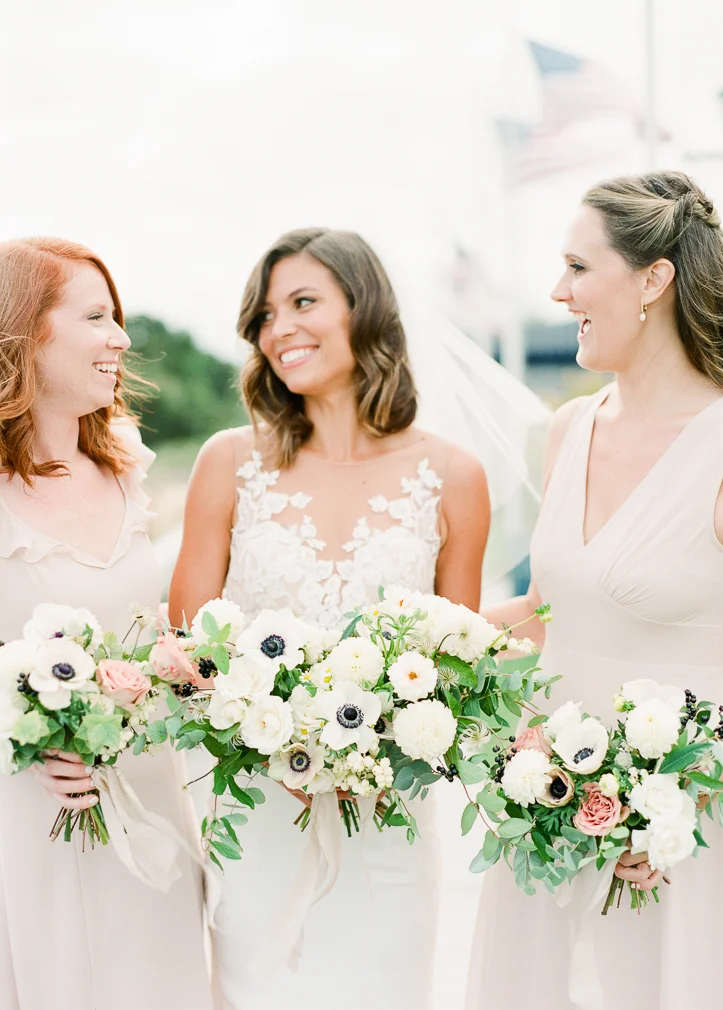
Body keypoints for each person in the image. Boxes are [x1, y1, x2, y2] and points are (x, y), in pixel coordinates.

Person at [169, 227, 491, 1010]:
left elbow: (455, 670)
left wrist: (376, 734)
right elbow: (184, 654)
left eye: (303, 302)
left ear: (364, 307)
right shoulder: (227, 463)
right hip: (258, 820)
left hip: (387, 824)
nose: (280, 329)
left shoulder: (451, 476)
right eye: (265, 316)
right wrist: (270, 721)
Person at [467, 171, 723, 1010]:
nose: (559, 291)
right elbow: (548, 615)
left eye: (579, 268)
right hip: (543, 808)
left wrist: (689, 790)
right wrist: (419, 651)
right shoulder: (569, 429)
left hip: (681, 829)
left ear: (654, 278)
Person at [0, 238, 211, 1010]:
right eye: (96, 316)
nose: (122, 338)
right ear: (25, 330)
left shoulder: (126, 464)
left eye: (117, 316)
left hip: (150, 791)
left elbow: (145, 625)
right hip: (34, 806)